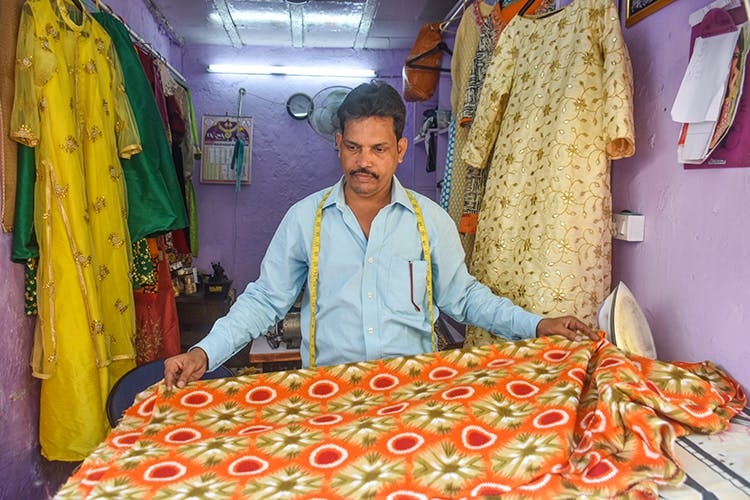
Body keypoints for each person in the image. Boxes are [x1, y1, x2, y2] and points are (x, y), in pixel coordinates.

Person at [164, 81, 597, 390]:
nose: (363, 162)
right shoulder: (304, 220)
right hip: (330, 396)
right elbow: (263, 301)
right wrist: (204, 353)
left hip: (415, 394)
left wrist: (536, 324)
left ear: (401, 150)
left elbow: (464, 299)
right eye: (353, 147)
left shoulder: (430, 222)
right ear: (338, 144)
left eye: (378, 149)